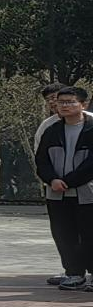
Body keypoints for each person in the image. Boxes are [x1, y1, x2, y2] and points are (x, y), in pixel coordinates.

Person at [35, 86, 93, 292]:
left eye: (70, 102)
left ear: (83, 104)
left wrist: (70, 180)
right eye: (61, 102)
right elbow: (41, 160)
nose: (64, 106)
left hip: (87, 192)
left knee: (90, 234)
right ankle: (74, 273)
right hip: (57, 193)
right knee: (64, 235)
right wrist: (52, 180)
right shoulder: (51, 130)